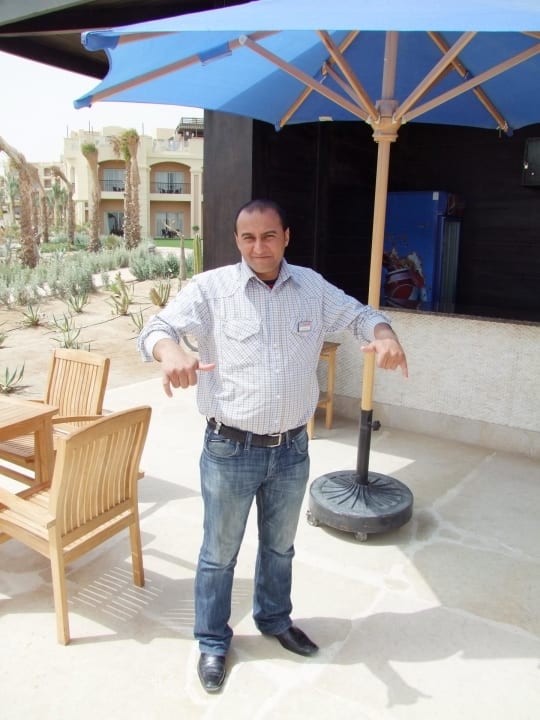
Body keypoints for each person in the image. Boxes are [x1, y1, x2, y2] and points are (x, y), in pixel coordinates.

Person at [138, 198, 408, 693]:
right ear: (237, 240)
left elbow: (360, 315)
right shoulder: (211, 289)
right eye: (248, 237)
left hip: (291, 450)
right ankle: (212, 640)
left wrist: (385, 335)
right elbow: (157, 327)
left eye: (268, 236)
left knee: (280, 547)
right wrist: (169, 350)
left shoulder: (311, 287)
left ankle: (275, 619)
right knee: (219, 553)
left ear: (286, 237)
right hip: (230, 450)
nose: (258, 247)